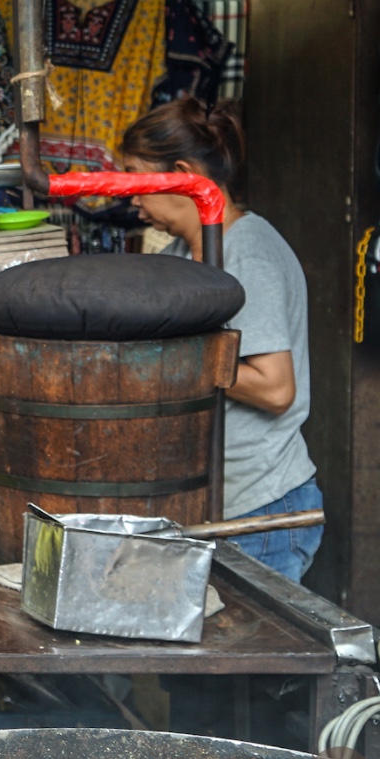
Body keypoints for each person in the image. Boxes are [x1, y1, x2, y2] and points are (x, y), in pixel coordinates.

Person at [118, 99, 321, 582]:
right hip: (207, 503)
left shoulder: (247, 252)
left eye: (135, 178)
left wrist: (180, 352)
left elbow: (275, 389)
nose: (131, 197)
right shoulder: (178, 254)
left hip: (260, 510)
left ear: (183, 174)